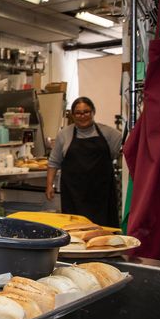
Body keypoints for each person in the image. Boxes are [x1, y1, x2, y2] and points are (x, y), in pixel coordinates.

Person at [45, 96, 123, 227]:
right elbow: (54, 162)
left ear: (93, 112)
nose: (83, 116)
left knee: (103, 229)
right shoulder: (64, 134)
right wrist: (49, 186)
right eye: (78, 113)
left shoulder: (109, 133)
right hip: (74, 193)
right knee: (76, 229)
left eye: (86, 112)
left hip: (102, 193)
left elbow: (120, 150)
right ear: (73, 115)